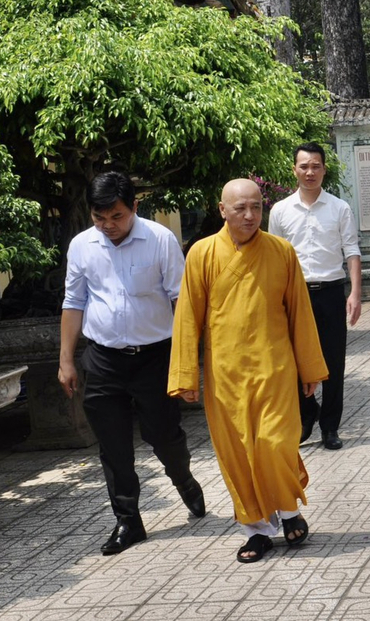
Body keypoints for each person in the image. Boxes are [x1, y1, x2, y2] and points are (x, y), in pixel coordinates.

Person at [168, 179, 328, 563]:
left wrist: (309, 368)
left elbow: (300, 315)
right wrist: (186, 375)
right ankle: (255, 530)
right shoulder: (202, 254)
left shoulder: (281, 251)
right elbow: (188, 316)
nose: (250, 215)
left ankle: (288, 511)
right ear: (222, 210)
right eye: (240, 208)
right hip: (226, 375)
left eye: (256, 207)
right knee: (237, 453)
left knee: (274, 445)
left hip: (275, 368)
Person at [59, 172, 204, 556]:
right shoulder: (81, 246)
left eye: (117, 217)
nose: (108, 226)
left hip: (155, 357)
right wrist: (66, 361)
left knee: (163, 436)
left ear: (134, 207)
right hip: (103, 358)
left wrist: (189, 360)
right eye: (99, 218)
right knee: (113, 445)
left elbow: (181, 302)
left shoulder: (160, 240)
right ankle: (128, 520)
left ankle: (184, 479)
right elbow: (73, 303)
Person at [268, 142, 361, 451]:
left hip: (331, 293)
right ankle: (307, 415)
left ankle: (330, 427)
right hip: (294, 295)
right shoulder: (280, 211)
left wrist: (356, 294)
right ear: (294, 169)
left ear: (324, 169)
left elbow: (352, 251)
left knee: (333, 363)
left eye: (316, 166)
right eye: (304, 166)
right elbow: (273, 259)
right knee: (292, 362)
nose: (310, 172)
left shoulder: (339, 208)